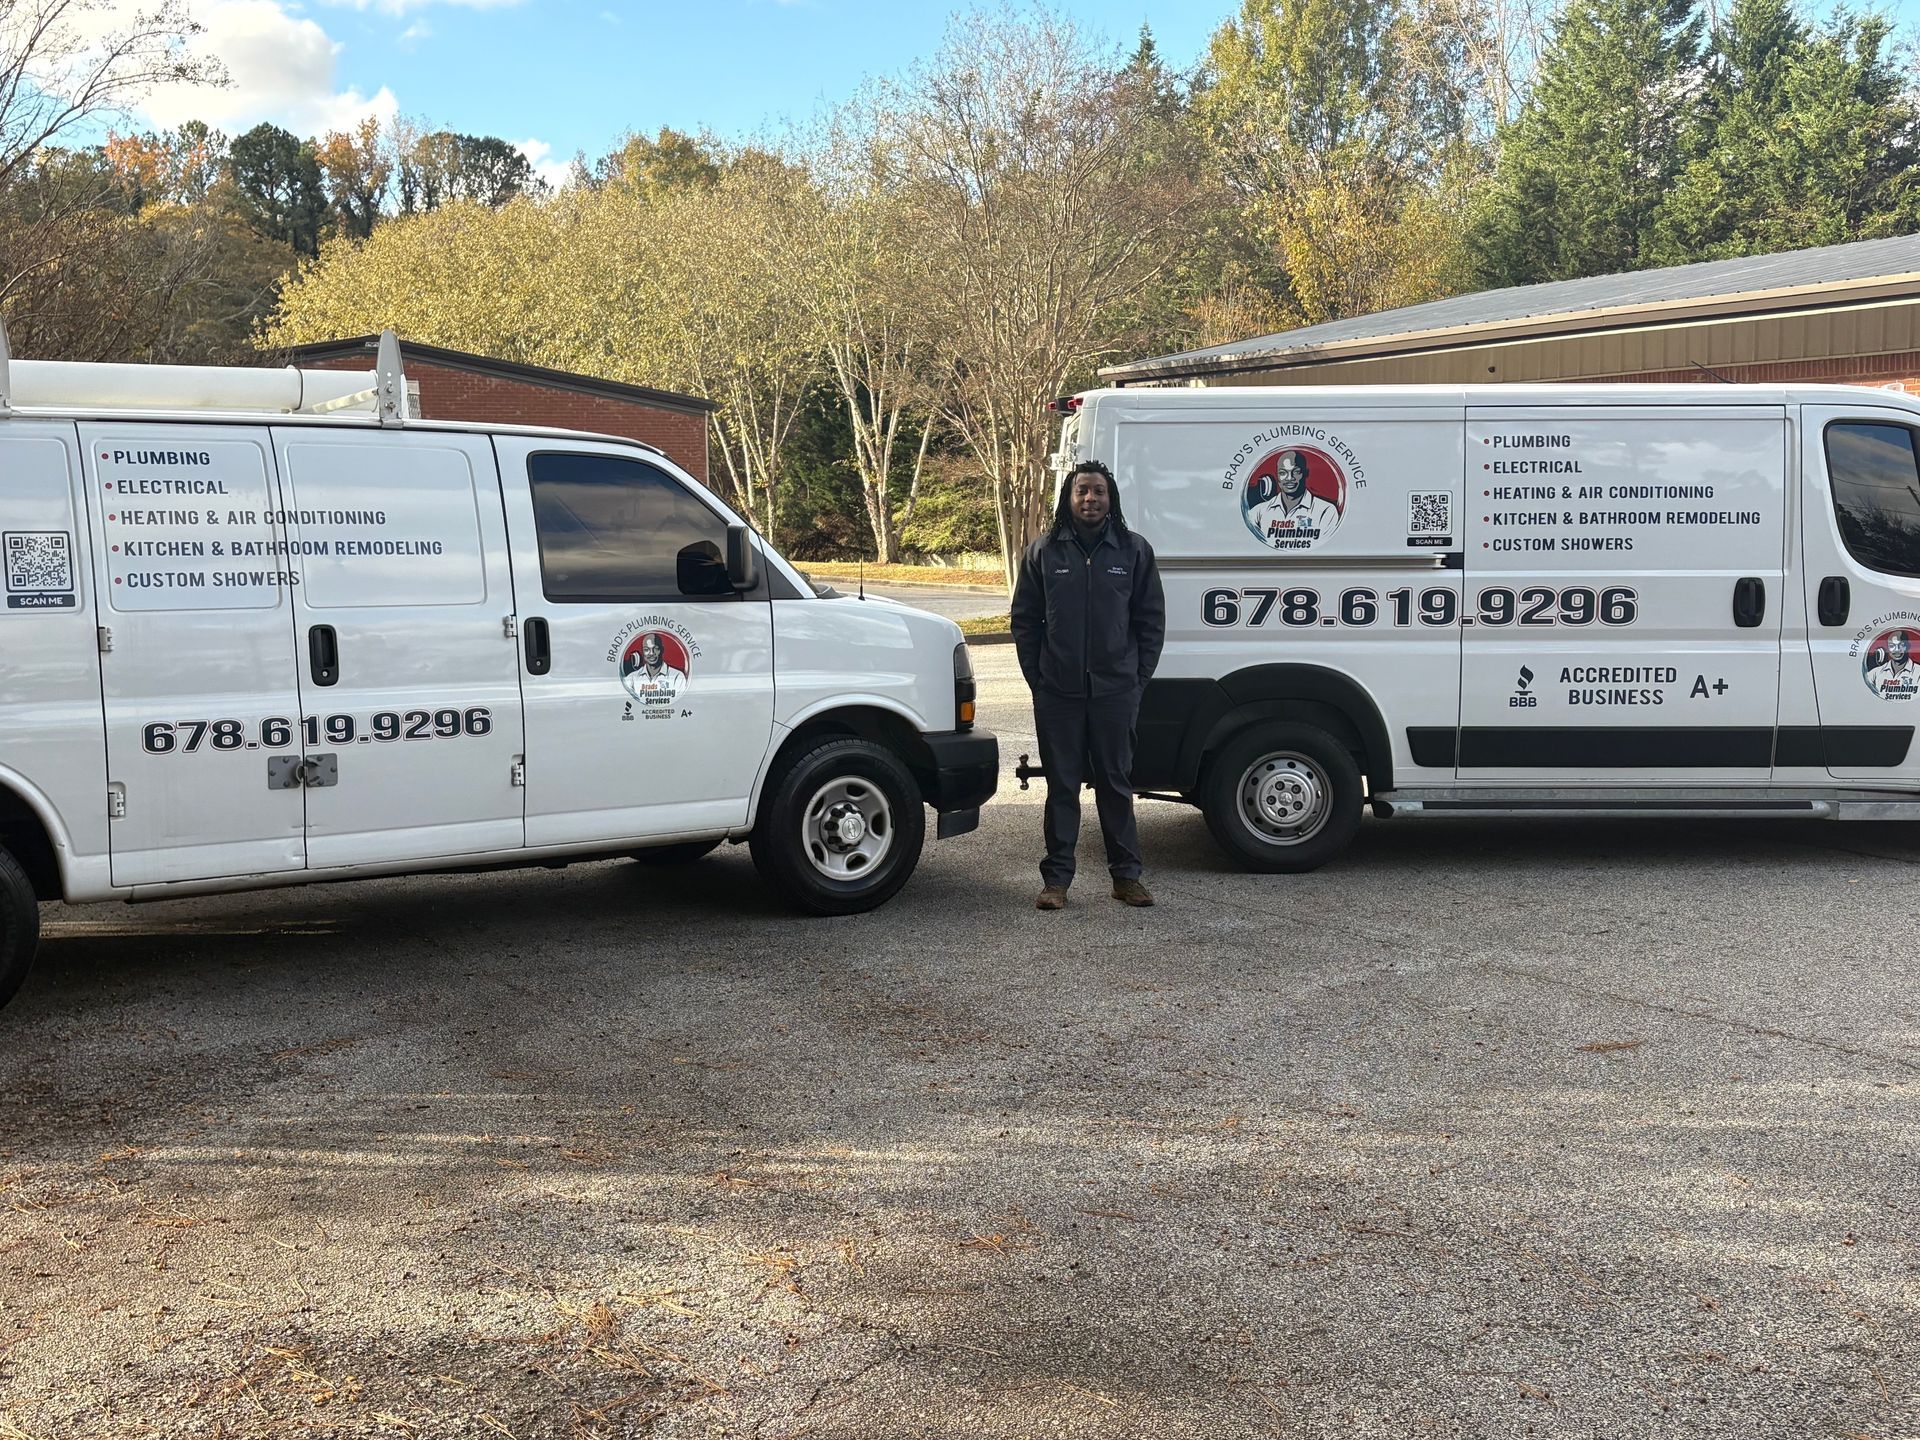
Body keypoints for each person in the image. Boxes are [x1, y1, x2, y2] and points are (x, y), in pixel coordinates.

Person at [1010, 459, 1165, 910]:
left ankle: (1126, 878)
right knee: (1062, 786)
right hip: (1058, 693)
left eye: (1098, 491)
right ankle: (1056, 881)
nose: (1090, 499)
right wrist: (1038, 680)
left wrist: (1136, 681)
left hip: (1116, 692)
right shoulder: (1044, 552)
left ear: (1110, 498)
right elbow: (1025, 621)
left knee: (1116, 784)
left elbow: (1150, 621)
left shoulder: (1133, 551)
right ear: (1069, 498)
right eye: (1082, 491)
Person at [1246, 448, 1339, 546]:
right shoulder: (1257, 512)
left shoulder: (1326, 511)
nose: (1289, 478)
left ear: (1305, 473)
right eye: (1283, 473)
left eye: (1296, 472)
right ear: (1277, 475)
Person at [623, 632, 687, 703]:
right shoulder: (631, 679)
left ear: (662, 650)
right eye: (646, 649)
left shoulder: (677, 677)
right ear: (643, 652)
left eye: (655, 648)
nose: (651, 653)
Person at [1866, 629, 1920, 699]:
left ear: (1908, 646)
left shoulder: (1918, 672)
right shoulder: (1875, 673)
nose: (1896, 649)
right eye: (1892, 645)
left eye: (1901, 645)